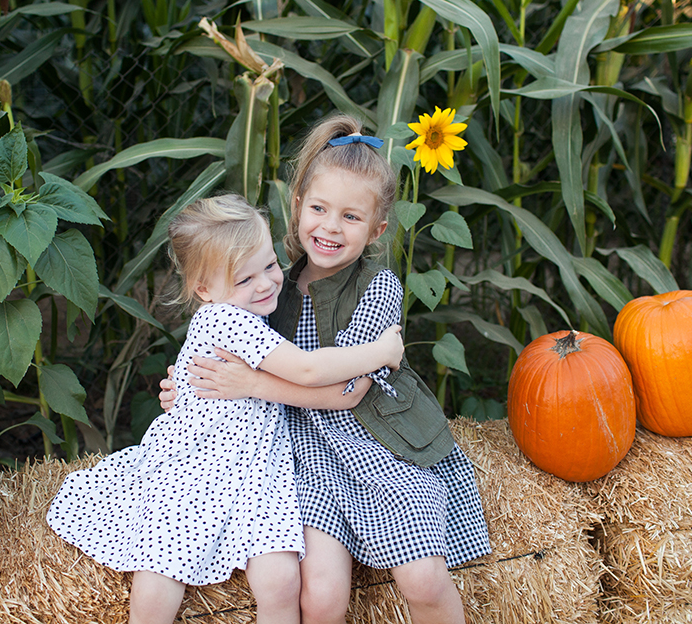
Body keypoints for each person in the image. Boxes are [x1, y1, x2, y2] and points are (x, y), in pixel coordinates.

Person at [162, 114, 491, 624]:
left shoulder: (378, 287)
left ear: (377, 229)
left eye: (351, 217)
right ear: (297, 207)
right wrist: (186, 387)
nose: (331, 227)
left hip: (378, 445)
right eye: (318, 208)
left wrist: (251, 383)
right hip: (305, 456)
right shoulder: (268, 286)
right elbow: (220, 350)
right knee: (320, 597)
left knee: (423, 581)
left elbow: (347, 391)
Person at [46, 193, 404, 624]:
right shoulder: (226, 320)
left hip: (257, 469)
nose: (265, 284)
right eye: (244, 279)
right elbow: (308, 370)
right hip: (197, 465)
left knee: (281, 581)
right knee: (163, 561)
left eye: (269, 265)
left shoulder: (250, 309)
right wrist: (380, 351)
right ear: (205, 290)